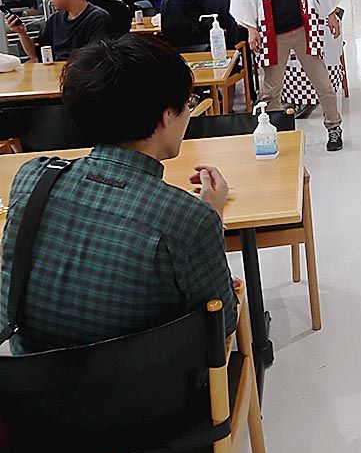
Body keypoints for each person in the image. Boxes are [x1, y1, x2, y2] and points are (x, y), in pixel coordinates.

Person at [0, 35, 237, 354]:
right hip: (147, 384)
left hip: (28, 379)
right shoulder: (190, 218)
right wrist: (213, 213)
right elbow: (221, 326)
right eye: (187, 105)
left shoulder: (33, 177)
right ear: (166, 116)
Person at [231, 0, 350, 152]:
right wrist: (251, 29)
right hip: (272, 33)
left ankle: (334, 127)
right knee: (270, 90)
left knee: (323, 83)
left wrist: (330, 13)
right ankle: (275, 133)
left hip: (303, 28)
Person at [5, 0, 110, 62]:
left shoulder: (98, 18)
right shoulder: (55, 19)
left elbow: (93, 59)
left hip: (81, 74)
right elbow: (36, 55)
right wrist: (21, 32)